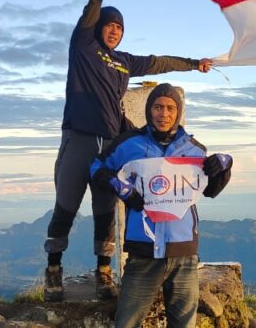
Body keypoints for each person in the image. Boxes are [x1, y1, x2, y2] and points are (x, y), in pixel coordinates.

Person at [43, 0, 213, 302]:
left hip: (111, 142)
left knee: (106, 208)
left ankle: (103, 271)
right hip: (80, 139)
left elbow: (157, 61)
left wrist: (193, 64)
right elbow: (93, 5)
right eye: (110, 25)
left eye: (119, 27)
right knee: (67, 204)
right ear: (98, 28)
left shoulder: (124, 61)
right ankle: (53, 269)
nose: (114, 30)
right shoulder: (83, 47)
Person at [90, 83, 232, 328]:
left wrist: (225, 167)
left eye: (170, 108)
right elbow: (96, 167)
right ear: (149, 110)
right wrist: (119, 186)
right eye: (157, 107)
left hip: (184, 255)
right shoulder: (128, 144)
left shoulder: (194, 149)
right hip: (142, 254)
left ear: (178, 112)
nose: (163, 114)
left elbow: (210, 191)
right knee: (126, 324)